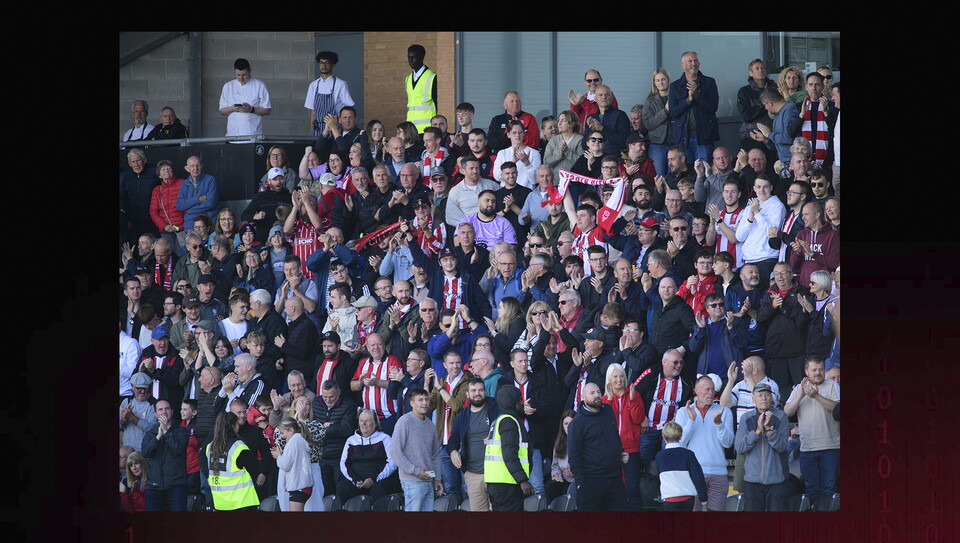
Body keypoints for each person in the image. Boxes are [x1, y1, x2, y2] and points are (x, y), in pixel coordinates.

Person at [783, 356, 840, 508]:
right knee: (811, 491)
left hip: (830, 448)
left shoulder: (833, 386)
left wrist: (815, 395)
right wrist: (801, 394)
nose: (818, 373)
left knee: (830, 490)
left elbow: (838, 409)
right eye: (814, 370)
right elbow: (787, 412)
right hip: (807, 449)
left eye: (821, 369)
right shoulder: (799, 388)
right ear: (806, 371)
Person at [672, 375, 733, 511]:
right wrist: (691, 421)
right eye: (707, 389)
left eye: (713, 389)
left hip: (718, 472)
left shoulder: (724, 411)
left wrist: (719, 424)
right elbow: (679, 443)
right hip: (693, 472)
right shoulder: (683, 412)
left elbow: (728, 443)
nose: (711, 393)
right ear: (696, 391)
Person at [567, 382, 627, 511]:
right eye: (592, 393)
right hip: (591, 480)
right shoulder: (577, 423)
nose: (597, 395)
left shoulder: (608, 411)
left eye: (599, 392)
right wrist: (580, 483)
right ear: (583, 397)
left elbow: (614, 435)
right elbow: (573, 454)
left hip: (614, 478)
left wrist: (620, 451)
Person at [425, 351, 474, 502]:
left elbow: (457, 405)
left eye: (458, 362)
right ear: (445, 365)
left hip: (463, 442)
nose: (455, 366)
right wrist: (426, 384)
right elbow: (427, 407)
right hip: (444, 444)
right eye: (451, 363)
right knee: (452, 488)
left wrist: (440, 389)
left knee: (468, 486)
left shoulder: (467, 381)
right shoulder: (441, 381)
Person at [735, 382, 791, 511]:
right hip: (752, 482)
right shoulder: (746, 418)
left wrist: (769, 429)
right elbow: (740, 447)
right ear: (753, 399)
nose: (764, 398)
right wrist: (757, 431)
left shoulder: (781, 416)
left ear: (772, 398)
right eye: (760, 395)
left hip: (777, 481)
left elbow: (782, 447)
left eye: (767, 395)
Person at [757, 261, 811, 395]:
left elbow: (802, 320)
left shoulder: (802, 291)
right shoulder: (770, 292)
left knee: (801, 389)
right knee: (779, 391)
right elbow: (760, 318)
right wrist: (772, 307)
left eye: (783, 273)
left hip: (797, 350)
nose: (779, 277)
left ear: (791, 275)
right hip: (776, 350)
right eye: (776, 274)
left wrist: (783, 308)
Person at [447, 377, 499, 511]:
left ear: (485, 392)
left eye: (480, 390)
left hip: (496, 472)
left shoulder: (495, 408)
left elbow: (507, 427)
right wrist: (453, 451)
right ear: (467, 394)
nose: (477, 393)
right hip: (472, 474)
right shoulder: (462, 417)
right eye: (474, 390)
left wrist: (494, 436)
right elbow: (453, 439)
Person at [634, 349, 693, 466]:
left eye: (681, 362)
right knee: (643, 458)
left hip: (670, 428)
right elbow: (634, 394)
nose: (679, 366)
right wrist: (642, 417)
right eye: (675, 362)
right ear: (664, 362)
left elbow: (690, 399)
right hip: (648, 427)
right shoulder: (651, 373)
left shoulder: (686, 378)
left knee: (668, 460)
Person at [389, 388, 443, 511]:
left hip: (429, 480)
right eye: (420, 400)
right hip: (412, 481)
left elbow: (435, 455)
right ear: (412, 403)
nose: (424, 403)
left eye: (427, 399)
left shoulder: (431, 425)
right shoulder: (404, 422)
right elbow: (395, 452)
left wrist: (437, 478)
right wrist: (415, 471)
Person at [601, 363, 645, 510]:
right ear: (609, 379)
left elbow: (638, 419)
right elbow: (605, 422)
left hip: (630, 447)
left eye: (621, 376)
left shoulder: (635, 395)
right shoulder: (604, 399)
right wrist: (609, 399)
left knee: (632, 487)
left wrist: (632, 400)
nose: (619, 380)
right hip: (611, 449)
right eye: (615, 376)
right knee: (613, 487)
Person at [484, 386, 534, 511]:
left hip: (497, 483)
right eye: (519, 400)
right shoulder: (509, 422)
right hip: (508, 484)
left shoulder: (498, 420)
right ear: (511, 402)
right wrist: (522, 480)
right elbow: (509, 454)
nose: (522, 403)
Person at [337, 409, 402, 503]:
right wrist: (355, 480)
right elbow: (344, 463)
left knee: (378, 490)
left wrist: (373, 479)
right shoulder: (351, 440)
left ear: (375, 424)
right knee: (343, 488)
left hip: (378, 479)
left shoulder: (385, 439)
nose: (364, 423)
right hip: (357, 481)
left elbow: (392, 463)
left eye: (367, 420)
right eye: (361, 421)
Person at [201, 411, 260, 511]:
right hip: (242, 502)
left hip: (220, 503)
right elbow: (254, 468)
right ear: (233, 426)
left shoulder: (210, 447)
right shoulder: (238, 446)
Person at [667, 52, 719, 164]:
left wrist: (697, 95)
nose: (693, 64)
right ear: (683, 65)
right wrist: (688, 100)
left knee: (703, 170)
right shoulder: (675, 86)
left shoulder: (709, 82)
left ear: (699, 63)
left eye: (695, 61)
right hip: (682, 137)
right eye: (690, 61)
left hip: (703, 137)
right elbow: (673, 113)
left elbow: (713, 107)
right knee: (685, 170)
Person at [735, 175, 785, 284]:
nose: (762, 190)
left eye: (765, 187)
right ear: (754, 188)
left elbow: (771, 233)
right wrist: (750, 218)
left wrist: (757, 213)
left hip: (766, 258)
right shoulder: (750, 206)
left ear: (771, 188)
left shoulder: (777, 206)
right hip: (748, 259)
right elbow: (739, 237)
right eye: (758, 187)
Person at [141, 400, 188, 511]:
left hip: (176, 485)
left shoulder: (181, 431)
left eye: (167, 409)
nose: (164, 412)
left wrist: (166, 432)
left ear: (172, 411)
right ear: (155, 414)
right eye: (160, 409)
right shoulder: (150, 433)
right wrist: (158, 437)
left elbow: (178, 449)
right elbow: (146, 453)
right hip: (153, 486)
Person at [654, 421, 708, 511]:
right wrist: (703, 497)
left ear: (663, 436)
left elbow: (659, 478)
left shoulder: (659, 456)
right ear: (681, 436)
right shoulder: (688, 454)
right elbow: (698, 476)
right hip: (688, 498)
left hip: (670, 499)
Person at [790, 202, 840, 287]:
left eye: (806, 214)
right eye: (802, 215)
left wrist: (812, 254)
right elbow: (793, 266)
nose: (803, 218)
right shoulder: (801, 235)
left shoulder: (833, 235)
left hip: (825, 288)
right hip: (805, 286)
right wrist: (797, 253)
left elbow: (834, 262)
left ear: (817, 215)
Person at [305, 50, 355, 137]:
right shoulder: (313, 85)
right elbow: (313, 112)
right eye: (321, 63)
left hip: (334, 129)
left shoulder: (341, 84)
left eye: (327, 63)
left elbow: (349, 110)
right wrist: (310, 133)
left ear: (333, 65)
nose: (324, 66)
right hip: (317, 130)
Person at [218, 58, 271, 138]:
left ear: (250, 71)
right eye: (238, 75)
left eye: (244, 75)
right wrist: (232, 108)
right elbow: (222, 111)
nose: (241, 78)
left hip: (253, 134)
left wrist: (251, 109)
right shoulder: (228, 86)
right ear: (234, 72)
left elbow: (267, 110)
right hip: (232, 135)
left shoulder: (259, 85)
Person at [271, 417, 315, 512]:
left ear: (291, 430)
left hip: (299, 486)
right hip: (303, 485)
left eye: (283, 433)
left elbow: (285, 465)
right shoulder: (299, 440)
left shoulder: (293, 442)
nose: (282, 436)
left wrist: (278, 456)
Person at [751, 87, 801, 164]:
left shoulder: (790, 109)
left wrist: (769, 134)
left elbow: (789, 138)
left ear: (770, 103)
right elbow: (779, 145)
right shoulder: (777, 115)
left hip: (795, 162)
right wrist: (766, 139)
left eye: (765, 105)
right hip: (785, 162)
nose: (765, 108)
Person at [120, 149, 160, 245]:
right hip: (134, 220)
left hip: (153, 219)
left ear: (144, 160)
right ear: (129, 164)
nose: (136, 164)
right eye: (133, 162)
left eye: (138, 160)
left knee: (154, 245)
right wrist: (127, 219)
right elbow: (124, 198)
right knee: (137, 247)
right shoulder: (127, 176)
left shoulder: (154, 172)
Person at [737, 59, 777, 153]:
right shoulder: (744, 91)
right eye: (757, 68)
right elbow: (745, 116)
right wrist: (766, 105)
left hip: (772, 135)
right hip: (751, 135)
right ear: (750, 73)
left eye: (763, 68)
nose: (761, 70)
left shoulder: (774, 89)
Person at [176, 156, 219, 235]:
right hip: (190, 226)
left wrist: (188, 211)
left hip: (208, 225)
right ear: (187, 168)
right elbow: (180, 205)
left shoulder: (210, 180)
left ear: (202, 166)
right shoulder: (184, 184)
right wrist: (197, 199)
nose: (195, 168)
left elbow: (210, 203)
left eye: (198, 165)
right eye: (192, 166)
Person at [583, 85, 630, 156]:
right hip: (594, 158)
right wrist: (591, 132)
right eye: (600, 95)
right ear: (595, 98)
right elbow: (584, 144)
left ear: (611, 98)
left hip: (613, 158)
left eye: (607, 94)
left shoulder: (620, 115)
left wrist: (602, 129)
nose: (604, 97)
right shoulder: (591, 118)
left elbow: (625, 142)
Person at [493, 121, 542, 190]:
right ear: (508, 135)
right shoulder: (502, 153)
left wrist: (526, 162)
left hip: (527, 193)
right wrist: (513, 162)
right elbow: (497, 177)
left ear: (523, 134)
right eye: (514, 132)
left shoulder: (534, 153)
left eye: (520, 132)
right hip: (506, 193)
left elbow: (535, 181)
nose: (517, 135)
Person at [405, 44, 438, 134]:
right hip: (411, 130)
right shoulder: (408, 79)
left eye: (414, 57)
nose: (410, 60)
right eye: (409, 57)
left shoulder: (432, 78)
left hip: (427, 130)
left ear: (421, 57)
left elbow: (437, 104)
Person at [542, 110, 583, 180]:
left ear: (571, 124)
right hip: (556, 182)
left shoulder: (580, 140)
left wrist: (567, 151)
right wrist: (559, 156)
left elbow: (582, 163)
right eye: (558, 120)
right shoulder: (554, 140)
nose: (559, 123)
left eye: (563, 120)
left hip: (574, 182)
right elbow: (546, 162)